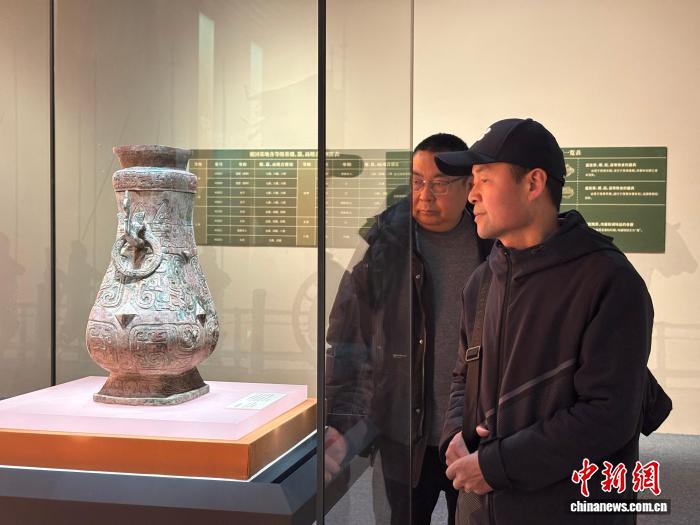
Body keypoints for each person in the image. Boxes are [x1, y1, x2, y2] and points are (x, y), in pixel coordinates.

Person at [435, 118, 671, 524]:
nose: (471, 194)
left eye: (485, 179)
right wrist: (456, 432)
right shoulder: (483, 281)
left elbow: (609, 415)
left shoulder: (609, 281)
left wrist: (497, 465)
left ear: (533, 183)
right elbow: (463, 377)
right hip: (481, 510)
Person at [325, 133, 492, 524]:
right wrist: (338, 422)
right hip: (402, 434)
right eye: (417, 181)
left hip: (473, 437)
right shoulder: (385, 244)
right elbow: (347, 339)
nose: (424, 196)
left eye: (439, 184)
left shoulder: (492, 243)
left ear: (468, 185)